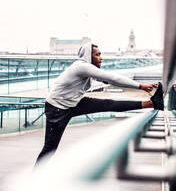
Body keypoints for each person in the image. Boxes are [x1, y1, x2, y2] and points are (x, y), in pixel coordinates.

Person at [35, 43, 164, 164]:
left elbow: (112, 81)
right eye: (97, 55)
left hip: (74, 103)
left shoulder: (88, 69)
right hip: (57, 108)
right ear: (88, 57)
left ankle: (152, 103)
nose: (101, 58)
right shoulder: (82, 67)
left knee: (108, 104)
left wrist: (139, 86)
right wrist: (141, 86)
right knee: (50, 149)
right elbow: (113, 78)